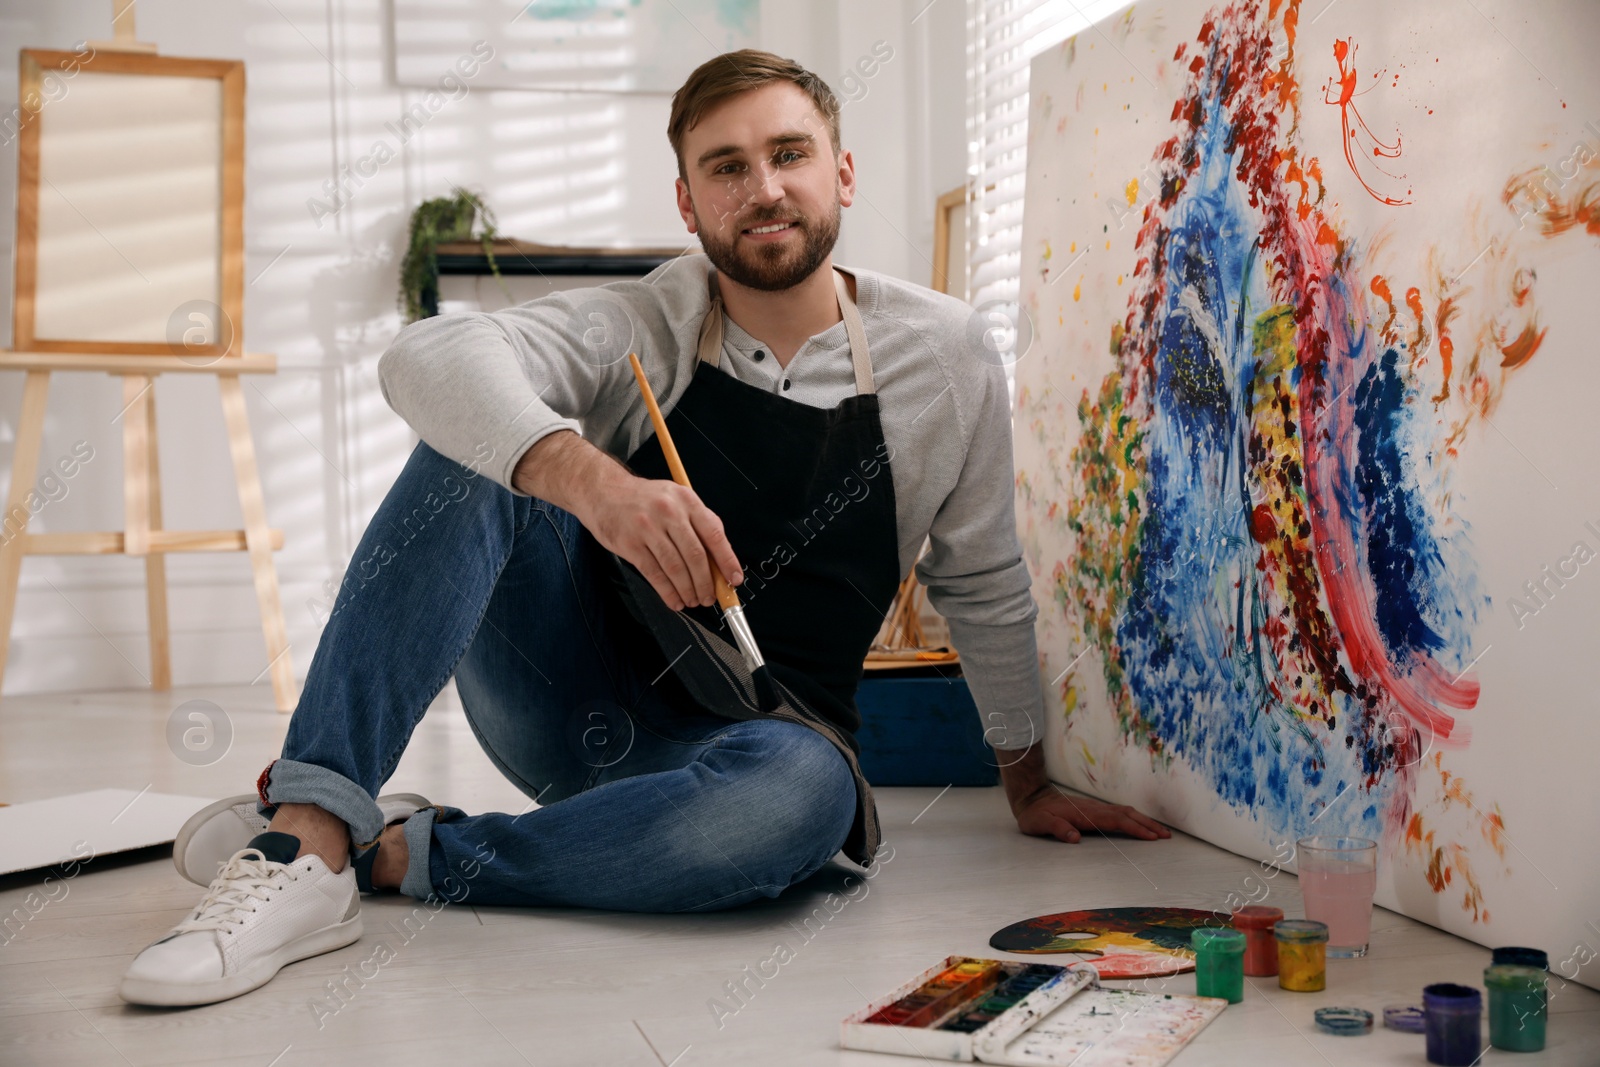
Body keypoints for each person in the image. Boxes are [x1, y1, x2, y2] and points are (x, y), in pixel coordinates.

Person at [119, 48, 1169, 1008]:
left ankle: (390, 850)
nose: (762, 188)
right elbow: (425, 359)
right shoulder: (648, 320)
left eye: (789, 153)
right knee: (475, 444)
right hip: (569, 702)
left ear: (841, 174)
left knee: (801, 805)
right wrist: (586, 477)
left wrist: (1025, 779)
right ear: (687, 200)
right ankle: (305, 841)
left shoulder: (945, 356)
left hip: (766, 744)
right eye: (726, 166)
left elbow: (982, 575)